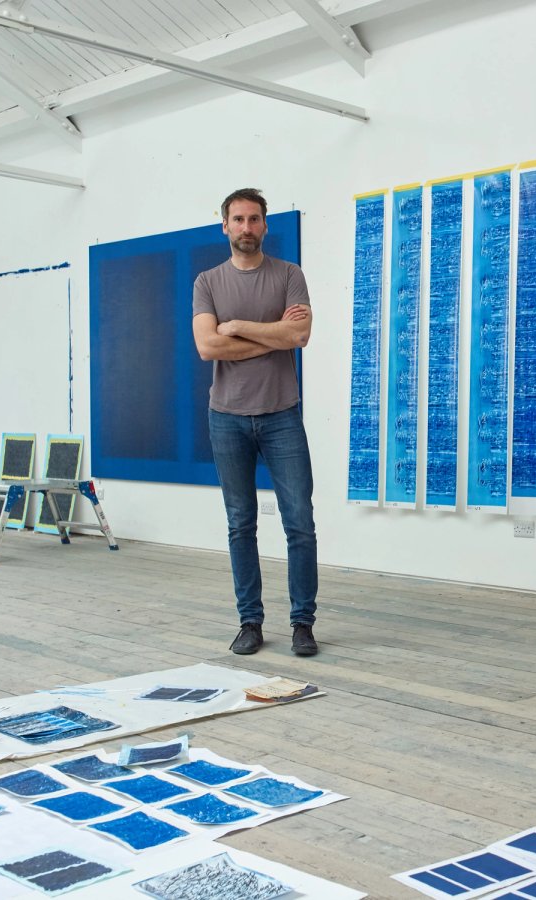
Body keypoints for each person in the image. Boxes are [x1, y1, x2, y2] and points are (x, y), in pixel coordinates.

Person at [191, 188, 319, 657]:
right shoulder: (207, 282)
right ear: (225, 225)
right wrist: (274, 335)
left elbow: (300, 334)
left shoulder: (289, 274)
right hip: (226, 417)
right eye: (239, 219)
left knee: (299, 523)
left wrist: (239, 326)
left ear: (265, 225)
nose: (247, 227)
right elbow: (208, 347)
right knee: (240, 524)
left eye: (254, 219)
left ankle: (303, 624)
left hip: (282, 414)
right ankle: (250, 623)